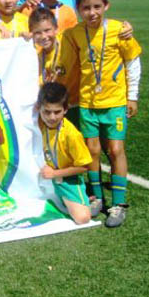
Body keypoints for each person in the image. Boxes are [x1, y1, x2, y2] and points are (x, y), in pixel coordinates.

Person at [58, 0, 142, 227]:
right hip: (87, 103)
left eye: (96, 6)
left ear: (106, 5)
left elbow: (132, 64)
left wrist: (132, 96)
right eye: (86, 8)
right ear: (78, 9)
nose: (91, 13)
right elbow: (66, 67)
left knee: (115, 150)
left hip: (115, 101)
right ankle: (95, 198)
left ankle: (118, 203)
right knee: (91, 151)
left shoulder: (119, 30)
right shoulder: (73, 34)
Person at [37, 82, 91, 225]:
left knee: (83, 218)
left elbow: (85, 167)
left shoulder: (71, 134)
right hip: (44, 174)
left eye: (57, 112)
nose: (52, 117)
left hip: (66, 179)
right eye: (47, 112)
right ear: (39, 109)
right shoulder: (39, 123)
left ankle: (75, 199)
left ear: (65, 109)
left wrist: (55, 174)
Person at [29, 7, 81, 128]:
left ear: (56, 29)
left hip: (77, 103)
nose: (44, 36)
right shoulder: (36, 55)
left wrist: (124, 27)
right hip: (55, 108)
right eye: (37, 32)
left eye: (47, 30)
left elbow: (89, 29)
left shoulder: (68, 39)